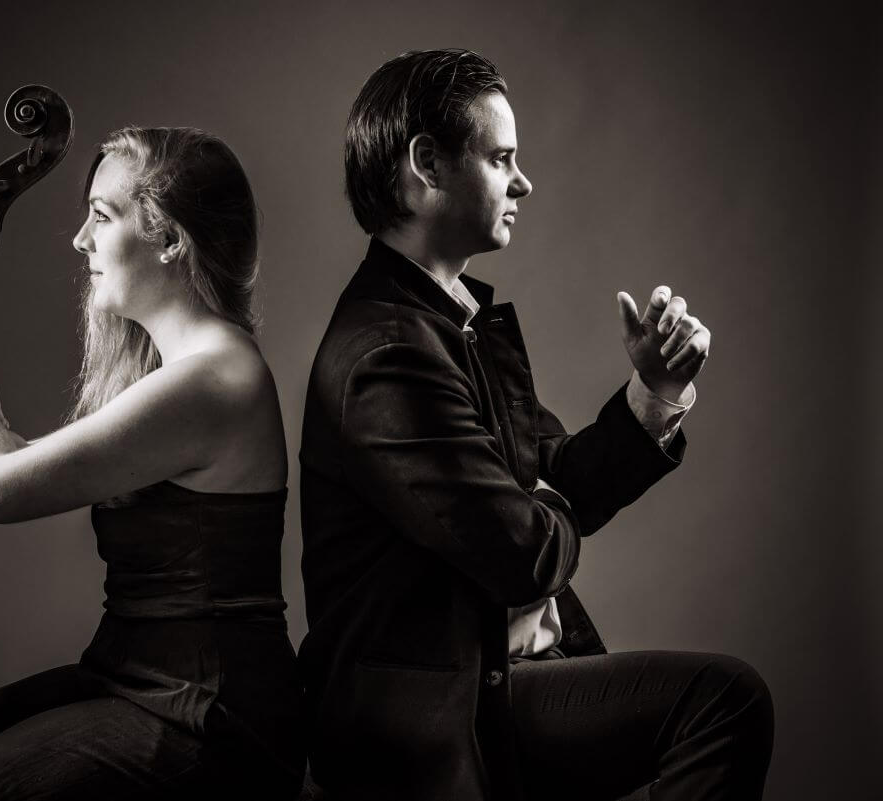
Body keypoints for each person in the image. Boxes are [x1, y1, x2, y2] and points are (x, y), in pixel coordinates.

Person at [298, 50, 774, 800]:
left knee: (718, 698)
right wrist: (537, 509)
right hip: (443, 714)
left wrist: (655, 390)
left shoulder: (451, 322)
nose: (523, 183)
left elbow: (562, 479)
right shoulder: (388, 353)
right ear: (427, 165)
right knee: (724, 700)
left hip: (499, 677)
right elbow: (525, 552)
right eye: (501, 159)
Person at [0, 126, 304, 801]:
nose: (80, 240)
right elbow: (20, 462)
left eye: (102, 216)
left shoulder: (216, 377)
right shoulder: (182, 370)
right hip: (129, 682)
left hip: (206, 715)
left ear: (170, 240)